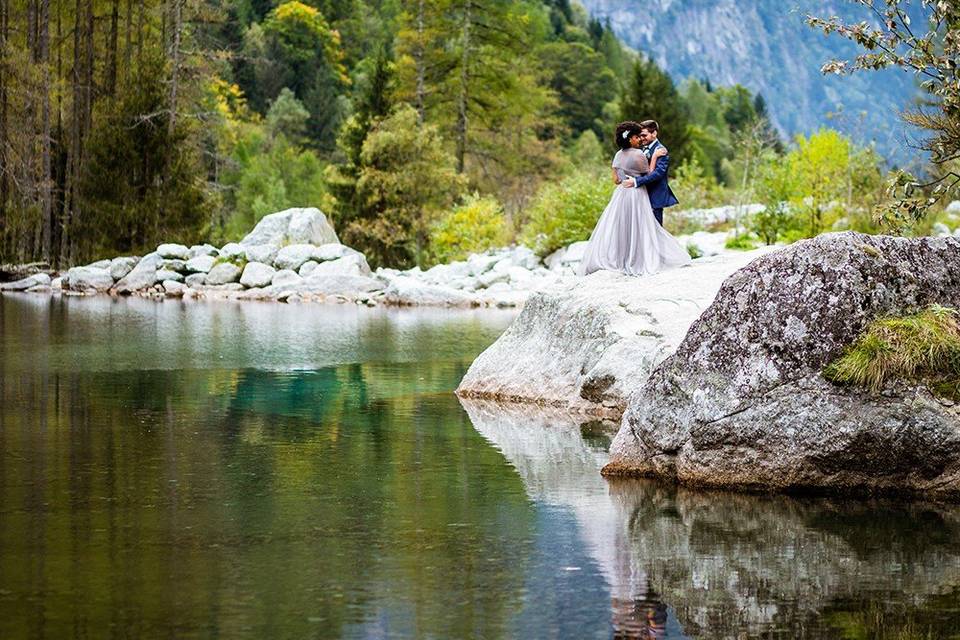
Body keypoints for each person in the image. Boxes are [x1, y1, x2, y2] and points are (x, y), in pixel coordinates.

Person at [578, 121, 691, 277]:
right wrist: (650, 163)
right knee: (645, 229)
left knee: (626, 227)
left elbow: (617, 180)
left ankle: (624, 259)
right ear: (630, 138)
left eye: (642, 136)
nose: (640, 139)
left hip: (623, 193)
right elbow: (649, 173)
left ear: (654, 134)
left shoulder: (619, 154)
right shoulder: (639, 154)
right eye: (638, 136)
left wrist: (628, 178)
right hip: (637, 194)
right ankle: (644, 260)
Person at [621, 120, 679, 227]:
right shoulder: (640, 150)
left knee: (655, 230)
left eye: (644, 135)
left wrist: (636, 181)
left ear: (654, 133)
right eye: (640, 136)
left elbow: (658, 174)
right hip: (640, 195)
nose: (642, 138)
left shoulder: (661, 150)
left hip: (654, 196)